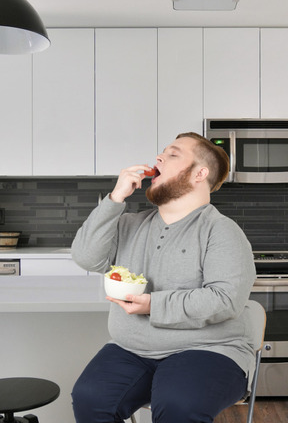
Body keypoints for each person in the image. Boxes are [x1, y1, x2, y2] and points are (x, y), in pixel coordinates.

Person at [71, 132, 256, 423]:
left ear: (200, 173)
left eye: (172, 154)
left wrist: (152, 305)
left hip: (207, 349)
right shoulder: (129, 224)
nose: (158, 158)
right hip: (131, 349)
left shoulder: (221, 231)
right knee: (89, 398)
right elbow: (86, 257)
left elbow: (225, 300)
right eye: (161, 153)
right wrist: (115, 198)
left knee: (178, 405)